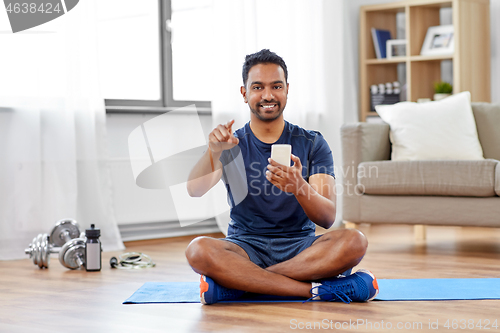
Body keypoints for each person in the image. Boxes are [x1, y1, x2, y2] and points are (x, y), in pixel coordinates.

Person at [185, 49, 378, 305]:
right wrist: (214, 151)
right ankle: (316, 290)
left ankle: (241, 284)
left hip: (302, 247)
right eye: (258, 87)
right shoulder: (229, 143)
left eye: (276, 86)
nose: (268, 95)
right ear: (244, 93)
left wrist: (300, 187)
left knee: (355, 241)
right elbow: (194, 190)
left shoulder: (312, 143)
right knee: (198, 250)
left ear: (287, 89)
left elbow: (327, 218)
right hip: (245, 246)